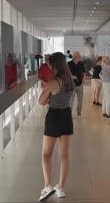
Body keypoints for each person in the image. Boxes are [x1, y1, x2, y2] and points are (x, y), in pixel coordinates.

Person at [38, 52, 75, 201]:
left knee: (46, 154)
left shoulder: (53, 83)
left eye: (50, 64)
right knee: (64, 155)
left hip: (54, 117)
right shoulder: (70, 81)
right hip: (66, 116)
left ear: (54, 65)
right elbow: (64, 100)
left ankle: (47, 186)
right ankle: (61, 188)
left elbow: (41, 101)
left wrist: (49, 100)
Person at [68, 51, 86, 117]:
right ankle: (69, 114)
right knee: (71, 100)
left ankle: (79, 112)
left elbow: (84, 72)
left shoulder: (81, 63)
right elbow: (66, 74)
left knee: (80, 99)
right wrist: (72, 77)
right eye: (79, 56)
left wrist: (84, 78)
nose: (80, 57)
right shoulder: (69, 64)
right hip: (72, 85)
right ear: (74, 57)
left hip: (80, 84)